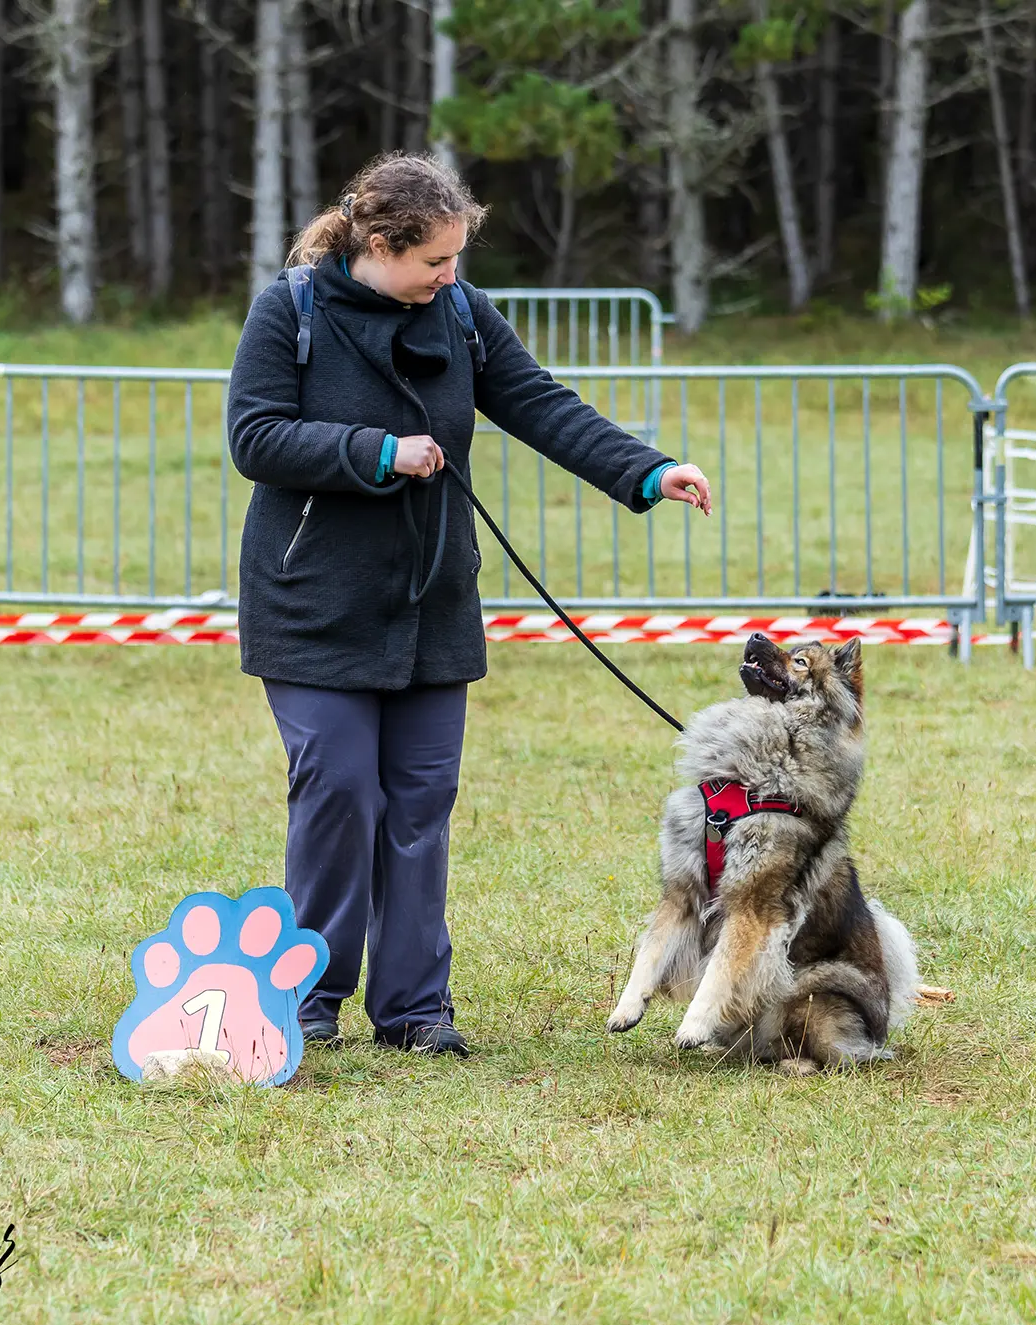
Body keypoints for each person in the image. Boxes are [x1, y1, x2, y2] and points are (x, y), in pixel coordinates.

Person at [225, 152, 712, 1057]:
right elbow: (255, 436)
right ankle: (308, 996)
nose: (451, 277)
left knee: (420, 802)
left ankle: (414, 1010)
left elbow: (539, 404)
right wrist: (374, 452)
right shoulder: (287, 311)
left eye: (456, 260)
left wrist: (646, 469)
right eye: (435, 261)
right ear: (379, 244)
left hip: (432, 603)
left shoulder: (463, 312)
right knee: (337, 792)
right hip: (311, 604)